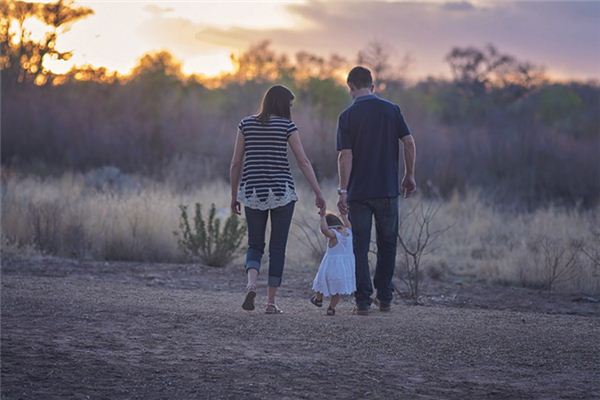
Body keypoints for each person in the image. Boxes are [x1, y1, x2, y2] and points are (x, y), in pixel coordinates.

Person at [230, 85, 326, 314]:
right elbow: (303, 162)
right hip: (282, 192)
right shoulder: (287, 126)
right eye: (290, 105)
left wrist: (234, 195)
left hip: (252, 191)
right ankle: (270, 303)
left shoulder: (246, 124)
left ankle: (251, 284)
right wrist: (318, 192)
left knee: (255, 244)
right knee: (277, 247)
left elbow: (235, 163)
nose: (291, 109)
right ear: (283, 104)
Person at [336, 66, 417, 315]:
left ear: (350, 87)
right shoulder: (392, 110)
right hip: (387, 190)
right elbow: (409, 142)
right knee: (387, 244)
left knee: (359, 246)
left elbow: (344, 156)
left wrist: (342, 190)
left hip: (359, 193)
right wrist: (409, 175)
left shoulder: (347, 116)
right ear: (373, 86)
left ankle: (362, 301)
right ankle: (385, 298)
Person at [310, 210, 356, 316]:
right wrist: (343, 215)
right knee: (337, 290)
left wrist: (322, 217)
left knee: (321, 282)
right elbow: (347, 222)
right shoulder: (349, 231)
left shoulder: (333, 235)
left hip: (331, 266)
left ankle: (318, 299)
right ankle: (331, 308)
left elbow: (324, 230)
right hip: (344, 269)